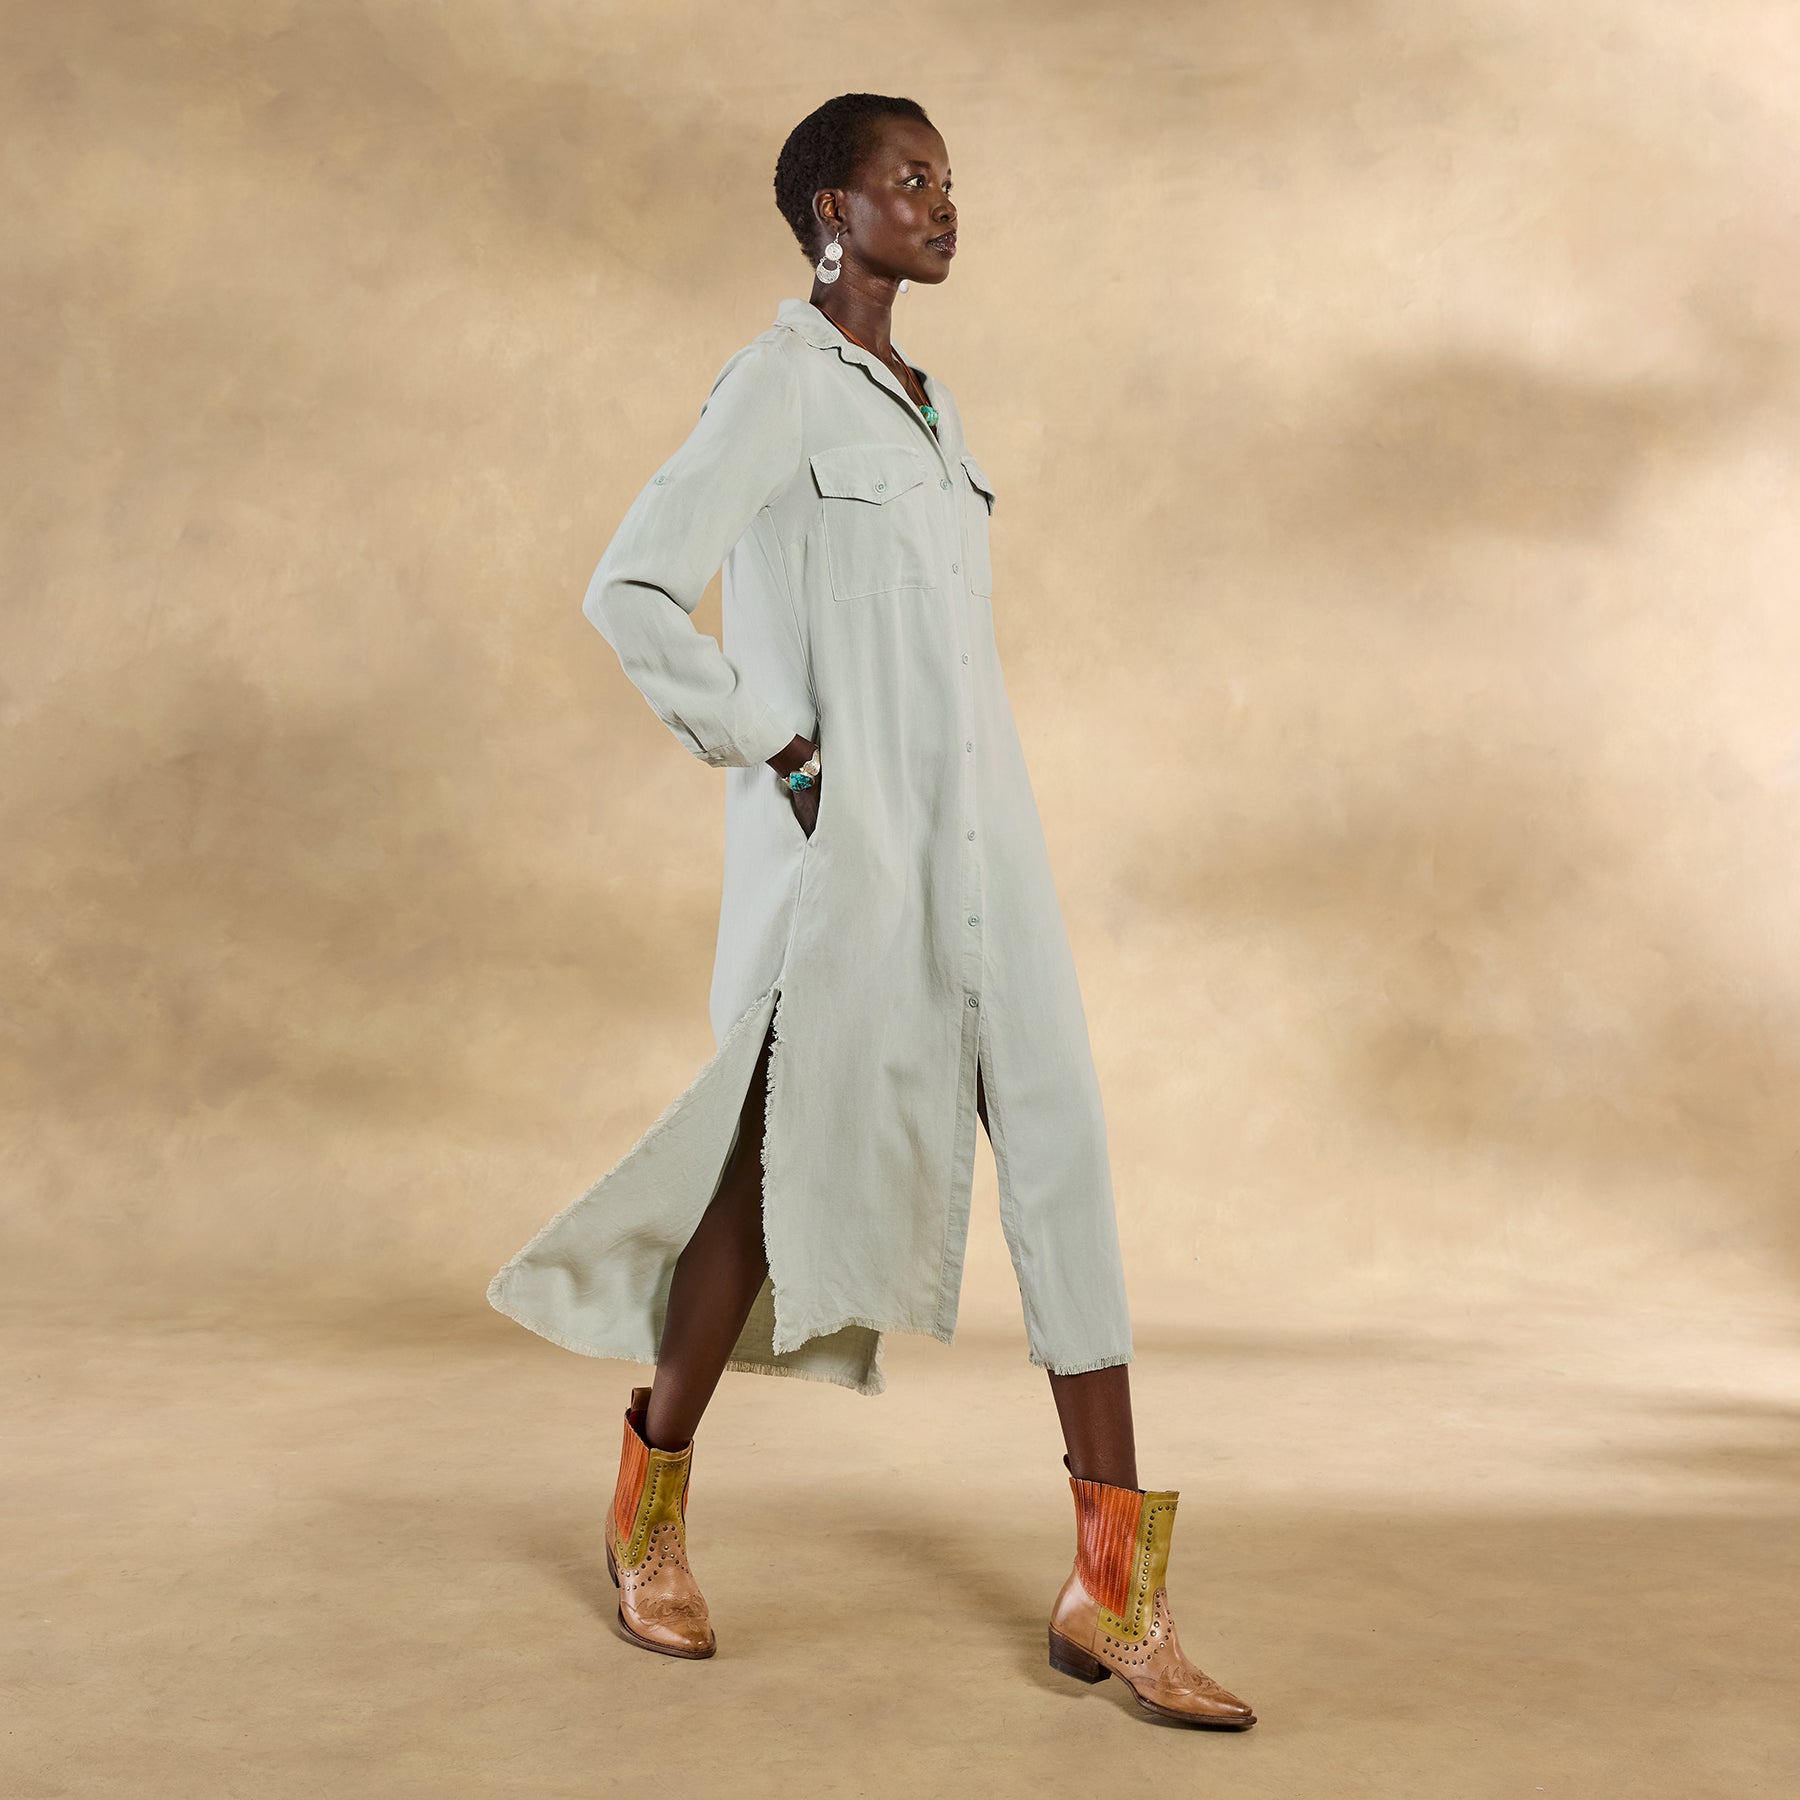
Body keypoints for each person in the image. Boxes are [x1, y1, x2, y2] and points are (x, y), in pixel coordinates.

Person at [488, 91, 1255, 1729]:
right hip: (849, 860)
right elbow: (631, 585)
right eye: (911, 180)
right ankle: (648, 1510)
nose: (943, 202)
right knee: (759, 1184)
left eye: (950, 180)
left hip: (991, 851)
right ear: (832, 212)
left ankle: (1114, 1593)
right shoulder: (776, 385)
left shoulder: (933, 409)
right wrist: (776, 747)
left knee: (1067, 1163)